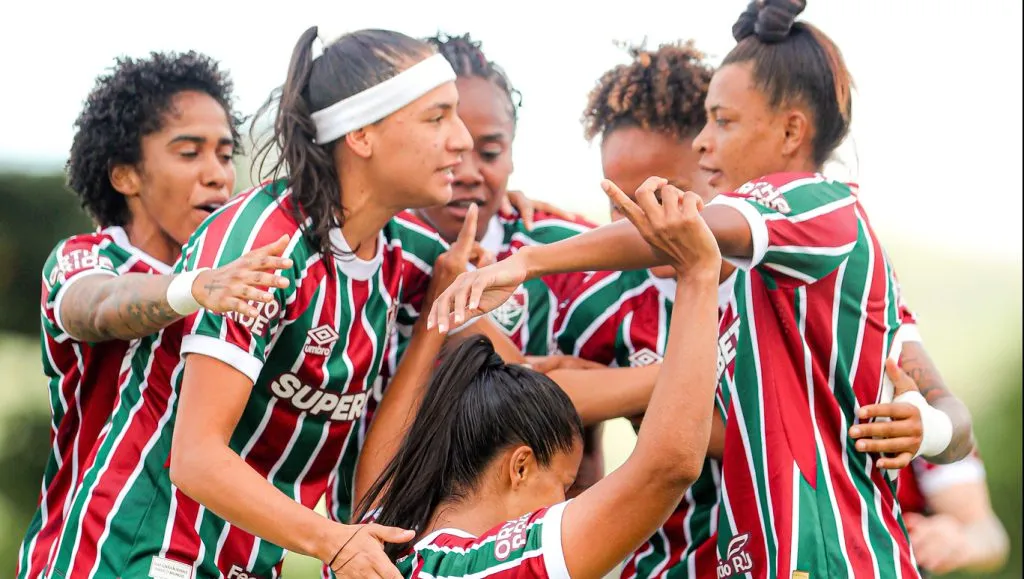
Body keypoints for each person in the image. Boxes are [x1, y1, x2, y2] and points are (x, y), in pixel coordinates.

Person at [428, 1, 975, 576]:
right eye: (619, 199)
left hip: (835, 557)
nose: (705, 143)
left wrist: (930, 425)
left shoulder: (826, 218)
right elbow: (541, 396)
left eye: (723, 122)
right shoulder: (629, 293)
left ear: (790, 130)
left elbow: (949, 419)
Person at [47, 26, 485, 579]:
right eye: (436, 117)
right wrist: (333, 541)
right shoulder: (259, 247)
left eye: (225, 152)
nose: (462, 140)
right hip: (137, 558)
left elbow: (514, 362)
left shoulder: (414, 257)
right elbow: (195, 456)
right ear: (360, 133)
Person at [16, 51, 294, 579]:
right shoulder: (90, 258)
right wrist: (193, 288)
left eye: (225, 155)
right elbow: (97, 306)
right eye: (189, 153)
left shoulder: (240, 275)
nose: (217, 175)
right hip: (96, 559)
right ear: (125, 175)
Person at [354, 185, 722, 578]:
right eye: (563, 485)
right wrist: (698, 272)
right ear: (520, 467)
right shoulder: (490, 567)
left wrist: (434, 314)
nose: (567, 502)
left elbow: (380, 464)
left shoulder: (378, 541)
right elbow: (667, 469)